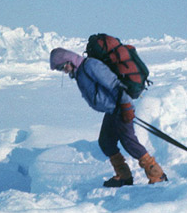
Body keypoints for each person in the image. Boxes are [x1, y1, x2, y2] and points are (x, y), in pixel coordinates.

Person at [50, 47, 167, 187]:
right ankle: (124, 176)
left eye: (63, 66)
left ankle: (157, 175)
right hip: (113, 110)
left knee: (129, 142)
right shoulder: (79, 72)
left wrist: (126, 106)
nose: (64, 70)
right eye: (60, 69)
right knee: (106, 142)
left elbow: (115, 85)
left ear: (70, 60)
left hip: (121, 107)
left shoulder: (90, 65)